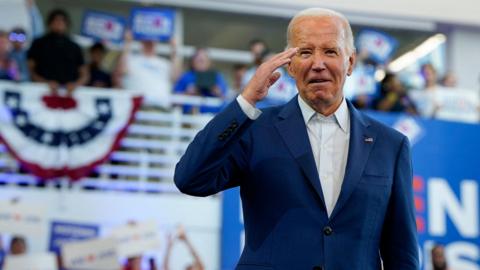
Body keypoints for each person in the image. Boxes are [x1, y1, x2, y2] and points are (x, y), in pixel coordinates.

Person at [175, 7, 418, 270]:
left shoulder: (391, 146)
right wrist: (246, 101)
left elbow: (402, 254)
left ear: (350, 62)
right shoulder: (254, 129)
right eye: (305, 52)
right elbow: (190, 179)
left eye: (330, 51)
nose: (317, 64)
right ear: (289, 64)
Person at [27, 9, 88, 96]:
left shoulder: (75, 46)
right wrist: (45, 83)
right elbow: (29, 69)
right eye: (56, 20)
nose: (59, 23)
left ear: (67, 24)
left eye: (62, 20)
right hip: (41, 91)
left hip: (69, 94)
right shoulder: (38, 43)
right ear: (50, 23)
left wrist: (75, 85)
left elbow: (85, 74)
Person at [174, 48, 228, 113]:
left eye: (204, 59)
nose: (201, 61)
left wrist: (217, 91)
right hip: (191, 117)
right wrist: (187, 92)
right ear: (192, 61)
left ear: (209, 61)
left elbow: (226, 98)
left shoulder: (217, 77)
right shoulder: (186, 77)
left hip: (214, 117)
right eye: (198, 59)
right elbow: (174, 99)